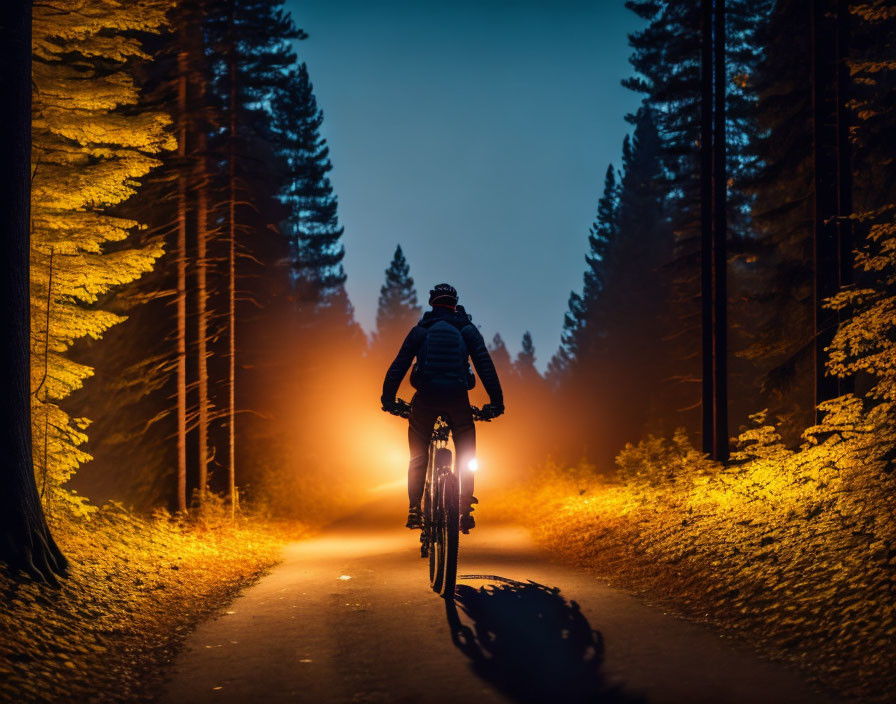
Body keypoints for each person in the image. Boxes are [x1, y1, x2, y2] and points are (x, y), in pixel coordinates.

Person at [381, 283, 504, 533]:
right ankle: (465, 507)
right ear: (454, 303)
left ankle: (415, 509)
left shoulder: (421, 330)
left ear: (433, 304)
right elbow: (484, 365)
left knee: (417, 456)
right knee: (466, 453)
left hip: (425, 399)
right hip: (458, 399)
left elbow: (400, 364)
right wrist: (496, 403)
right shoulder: (467, 330)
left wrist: (389, 400)